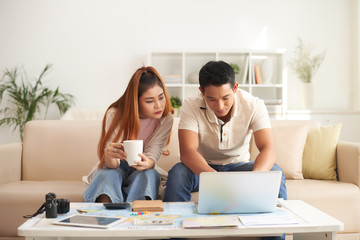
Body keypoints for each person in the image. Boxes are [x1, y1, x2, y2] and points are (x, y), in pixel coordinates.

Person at [163, 61, 287, 239]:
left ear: (235, 87)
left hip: (240, 167)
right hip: (202, 169)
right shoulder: (191, 105)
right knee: (179, 172)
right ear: (201, 92)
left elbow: (268, 148)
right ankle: (175, 237)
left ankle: (274, 237)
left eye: (225, 98)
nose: (219, 106)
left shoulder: (254, 105)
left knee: (275, 171)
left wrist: (255, 178)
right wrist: (217, 181)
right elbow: (188, 152)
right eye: (211, 99)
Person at [83, 66, 173, 203]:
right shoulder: (115, 115)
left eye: (161, 98)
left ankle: (137, 219)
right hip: (116, 167)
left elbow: (153, 153)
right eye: (150, 101)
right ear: (135, 102)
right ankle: (105, 217)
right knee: (109, 175)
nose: (158, 106)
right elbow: (112, 164)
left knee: (148, 174)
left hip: (142, 167)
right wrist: (109, 156)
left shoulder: (165, 119)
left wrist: (148, 163)